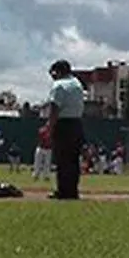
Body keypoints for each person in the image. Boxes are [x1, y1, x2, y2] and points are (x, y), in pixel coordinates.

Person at [46, 59, 85, 200]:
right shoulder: (77, 84)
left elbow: (55, 108)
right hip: (77, 123)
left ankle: (63, 191)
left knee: (62, 159)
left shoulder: (59, 85)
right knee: (73, 160)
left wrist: (49, 126)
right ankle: (73, 190)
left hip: (64, 124)